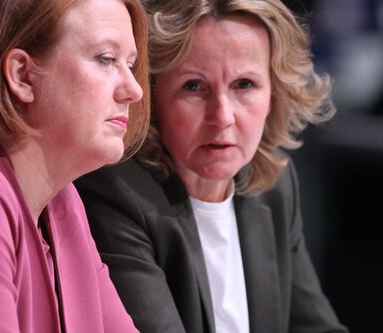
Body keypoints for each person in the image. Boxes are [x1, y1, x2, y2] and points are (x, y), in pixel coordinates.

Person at [76, 0, 348, 332]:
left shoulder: (273, 185)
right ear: (152, 95)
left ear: (276, 92)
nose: (222, 117)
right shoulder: (116, 194)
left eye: (244, 85)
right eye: (194, 87)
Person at [0, 0, 150, 332]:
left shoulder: (64, 201)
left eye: (130, 64)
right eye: (106, 59)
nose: (134, 90)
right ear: (22, 76)